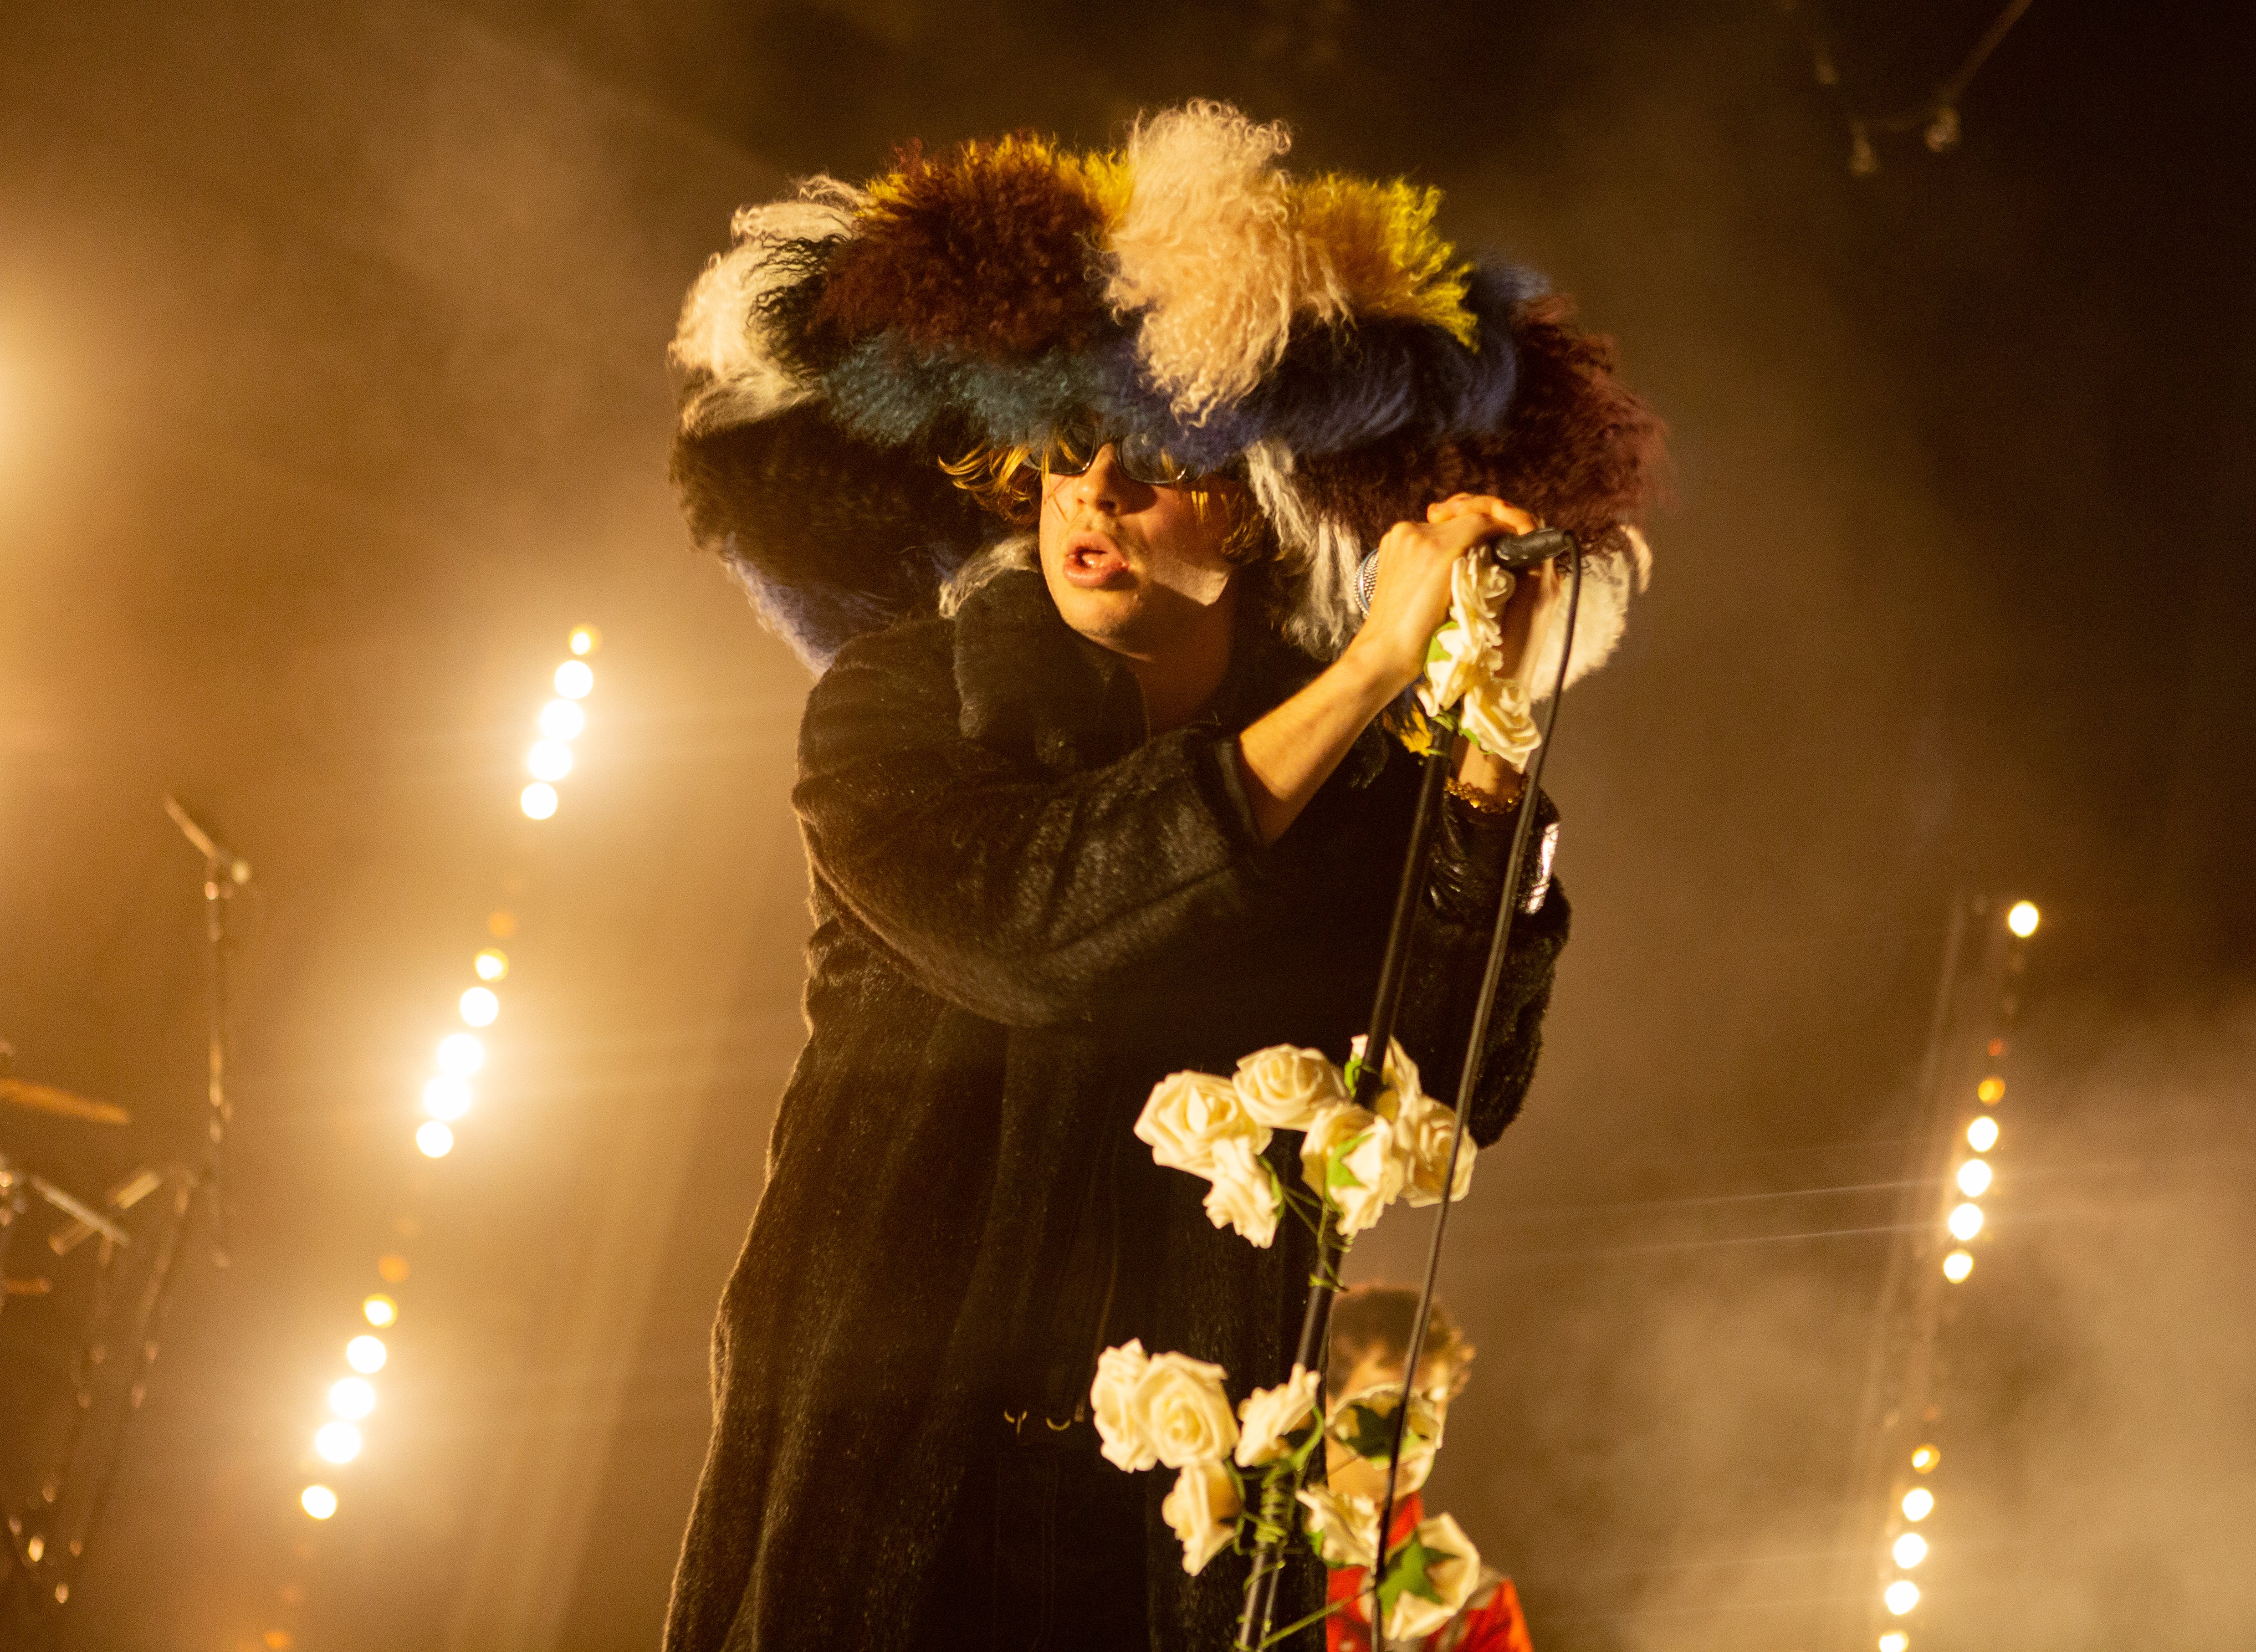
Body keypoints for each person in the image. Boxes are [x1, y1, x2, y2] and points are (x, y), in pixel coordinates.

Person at [657, 102, 1660, 1652]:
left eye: (1152, 461)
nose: (1095, 494)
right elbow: (1039, 931)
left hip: (1160, 1540)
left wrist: (1485, 750)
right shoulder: (898, 704)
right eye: (1062, 458)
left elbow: (1457, 1084)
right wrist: (1380, 664)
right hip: (882, 1497)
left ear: (1259, 519)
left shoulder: (1357, 794)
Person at [1320, 1288, 1534, 1652]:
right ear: (1325, 1402)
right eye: (1386, 1397)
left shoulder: (1477, 1602)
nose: (1413, 1427)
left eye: (1431, 1402)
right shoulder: (1253, 1546)